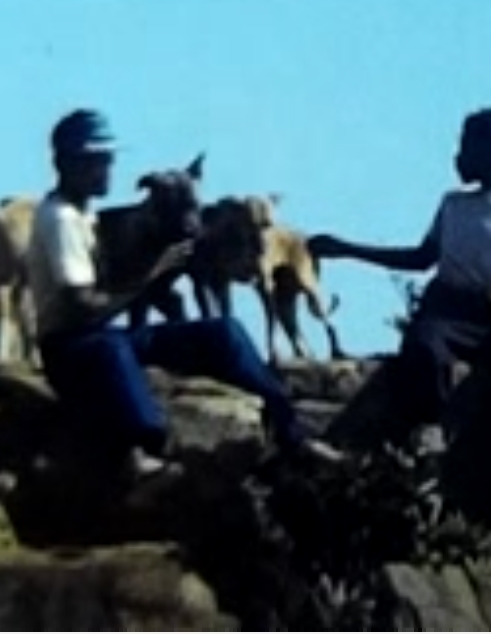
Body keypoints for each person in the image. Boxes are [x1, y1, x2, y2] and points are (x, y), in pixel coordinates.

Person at [27, 108, 343, 481]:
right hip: (71, 347)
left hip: (100, 333)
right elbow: (83, 310)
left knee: (220, 330)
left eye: (108, 160)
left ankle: (292, 432)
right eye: (98, 161)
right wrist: (150, 275)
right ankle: (141, 452)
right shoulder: (59, 219)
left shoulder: (88, 216)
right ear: (69, 163)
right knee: (110, 349)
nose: (107, 170)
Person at [309, 107, 491, 530]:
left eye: (466, 146)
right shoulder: (453, 204)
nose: (458, 156)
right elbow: (421, 259)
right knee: (425, 350)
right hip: (447, 307)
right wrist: (347, 249)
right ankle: (430, 460)